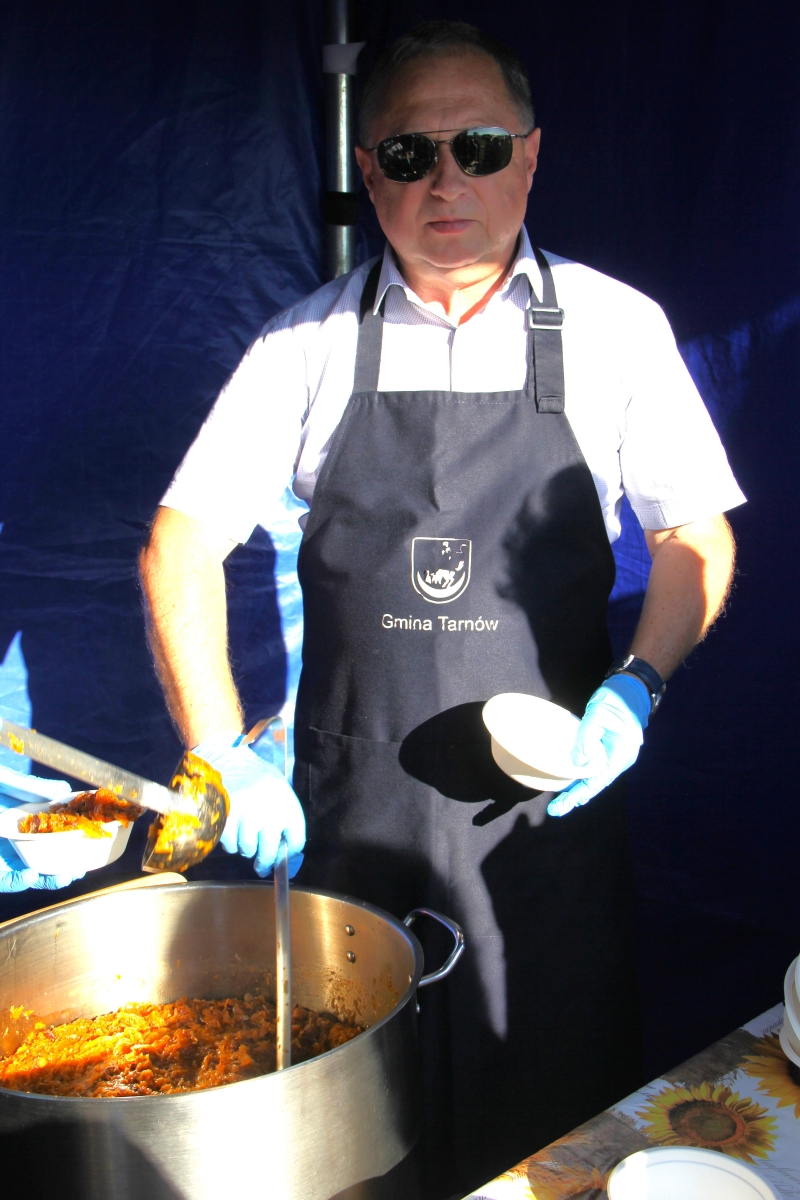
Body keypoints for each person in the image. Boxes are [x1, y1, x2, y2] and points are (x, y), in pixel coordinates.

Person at [139, 21, 744, 1198]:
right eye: (411, 154)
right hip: (352, 823)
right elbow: (180, 544)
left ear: (530, 154)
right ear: (369, 173)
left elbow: (693, 537)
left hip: (544, 830)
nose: (446, 180)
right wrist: (218, 750)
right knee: (358, 1144)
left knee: (551, 1139)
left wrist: (635, 687)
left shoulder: (615, 328)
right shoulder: (305, 343)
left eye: (478, 146)